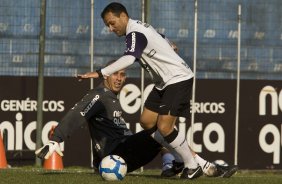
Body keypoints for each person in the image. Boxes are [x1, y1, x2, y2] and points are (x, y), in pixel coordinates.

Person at [77, 2, 238, 179]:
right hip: (163, 82)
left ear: (123, 16)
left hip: (177, 78)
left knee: (165, 126)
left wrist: (100, 72)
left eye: (112, 23)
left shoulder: (134, 33)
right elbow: (157, 35)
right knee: (147, 121)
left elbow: (129, 58)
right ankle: (186, 160)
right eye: (107, 25)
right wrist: (168, 43)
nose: (110, 28)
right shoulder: (137, 28)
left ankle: (192, 166)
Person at [35, 63, 163, 172]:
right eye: (115, 74)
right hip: (116, 154)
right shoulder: (99, 96)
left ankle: (172, 163)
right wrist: (56, 139)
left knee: (163, 131)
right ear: (106, 75)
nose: (119, 78)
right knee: (163, 129)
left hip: (121, 152)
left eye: (122, 74)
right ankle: (175, 163)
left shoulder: (111, 97)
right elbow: (77, 114)